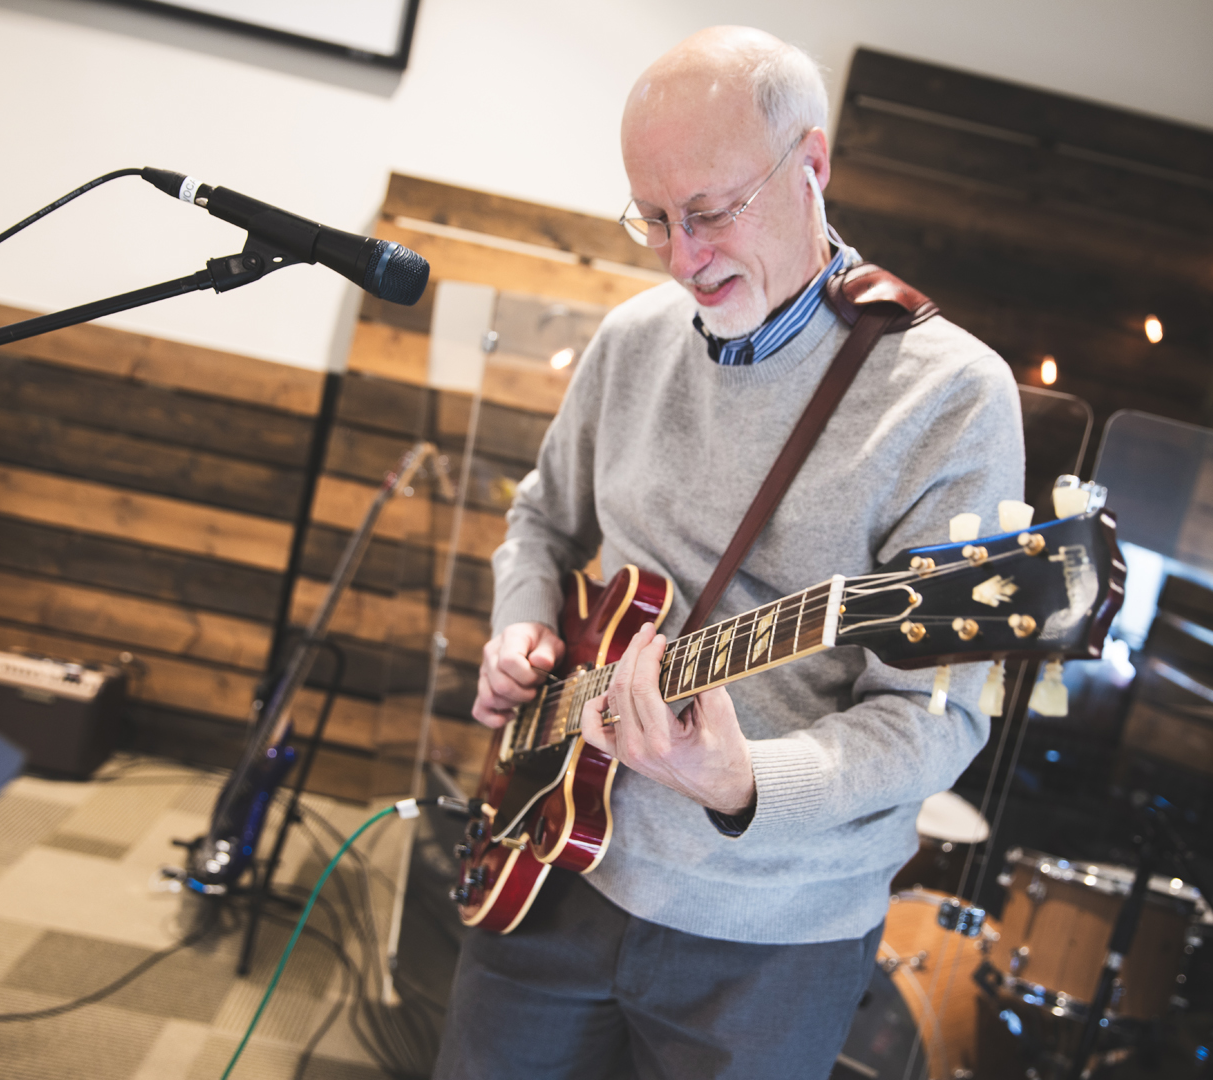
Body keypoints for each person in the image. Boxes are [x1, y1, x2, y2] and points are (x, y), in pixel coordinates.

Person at [433, 25, 1024, 1080]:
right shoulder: (631, 339)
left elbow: (933, 723)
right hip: (550, 856)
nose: (679, 256)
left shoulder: (950, 397)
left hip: (765, 942)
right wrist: (520, 626)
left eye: (707, 212)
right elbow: (541, 521)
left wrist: (746, 777)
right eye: (652, 218)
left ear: (813, 163)